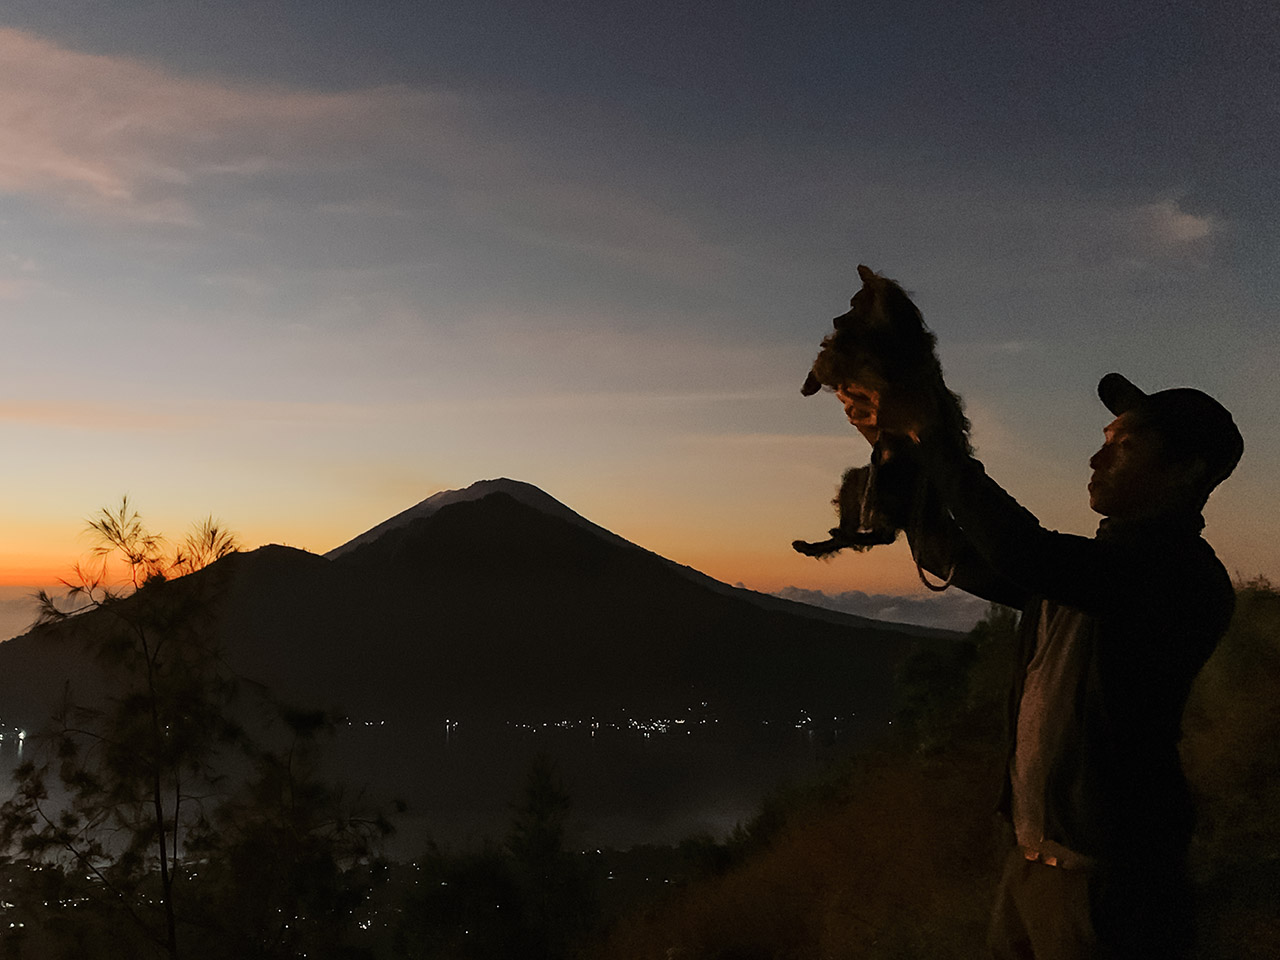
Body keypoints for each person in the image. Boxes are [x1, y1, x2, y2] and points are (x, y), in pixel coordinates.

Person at [835, 372, 1243, 960]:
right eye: (1106, 438)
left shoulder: (1177, 576)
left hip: (1112, 887)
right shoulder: (1089, 572)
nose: (1097, 457)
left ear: (1187, 473)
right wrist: (894, 448)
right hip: (1032, 864)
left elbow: (1021, 551)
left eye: (1125, 446)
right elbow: (958, 557)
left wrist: (935, 436)